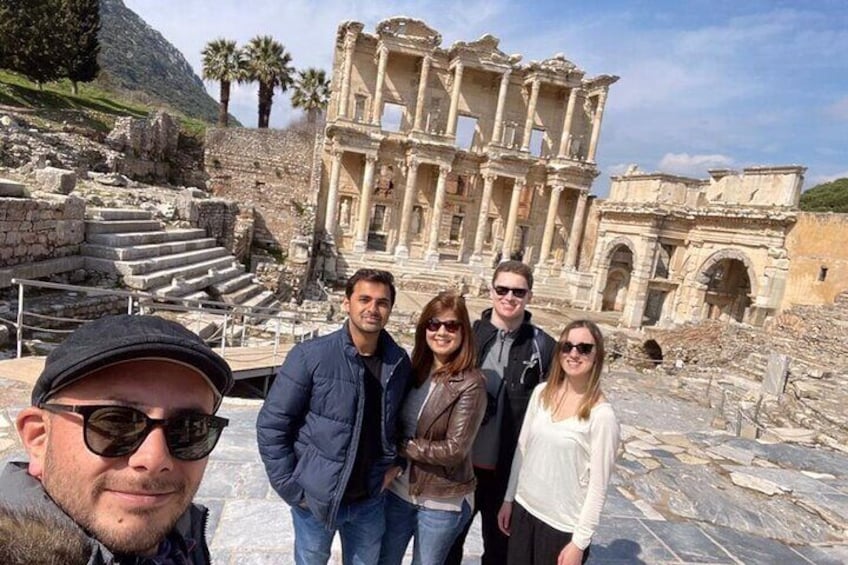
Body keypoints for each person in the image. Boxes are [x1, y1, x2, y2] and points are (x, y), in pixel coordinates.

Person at [0, 314, 234, 564]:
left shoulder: (183, 535)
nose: (155, 459)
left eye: (190, 428)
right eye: (115, 424)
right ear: (39, 438)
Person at [257, 268, 412, 565]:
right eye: (364, 299)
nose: (373, 309)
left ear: (390, 309)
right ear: (346, 303)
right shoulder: (310, 356)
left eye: (382, 302)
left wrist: (397, 466)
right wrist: (293, 488)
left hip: (369, 500)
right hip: (315, 501)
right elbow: (272, 425)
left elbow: (402, 423)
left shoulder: (398, 362)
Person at [446, 260, 556, 565]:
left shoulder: (543, 347)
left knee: (499, 553)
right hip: (461, 468)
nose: (510, 297)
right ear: (491, 291)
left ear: (529, 296)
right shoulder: (466, 336)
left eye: (518, 291)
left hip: (507, 474)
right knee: (447, 548)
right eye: (502, 289)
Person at [497, 320, 620, 565]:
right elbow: (523, 448)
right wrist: (509, 499)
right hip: (524, 509)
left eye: (584, 348)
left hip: (561, 525)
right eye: (567, 346)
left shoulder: (602, 416)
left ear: (597, 356)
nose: (574, 353)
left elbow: (598, 487)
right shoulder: (541, 393)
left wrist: (579, 542)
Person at [379, 291, 487, 565]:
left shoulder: (471, 382)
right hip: (399, 491)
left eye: (451, 326)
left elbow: (454, 450)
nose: (441, 332)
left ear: (463, 332)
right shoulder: (413, 369)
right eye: (433, 324)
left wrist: (404, 445)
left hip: (442, 500)